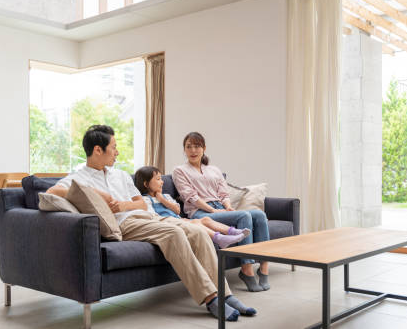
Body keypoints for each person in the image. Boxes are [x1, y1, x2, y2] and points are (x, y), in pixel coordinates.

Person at [47, 125, 255, 321]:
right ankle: (211, 298)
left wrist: (123, 205)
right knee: (173, 234)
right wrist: (93, 192)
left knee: (198, 231)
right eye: (114, 148)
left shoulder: (120, 175)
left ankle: (226, 294)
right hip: (124, 225)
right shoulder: (79, 177)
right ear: (98, 150)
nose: (117, 152)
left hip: (147, 217)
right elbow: (50, 193)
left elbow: (141, 203)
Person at [172, 132, 271, 292]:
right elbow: (190, 197)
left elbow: (223, 193)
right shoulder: (180, 170)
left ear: (204, 148)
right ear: (184, 150)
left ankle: (264, 266)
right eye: (188, 147)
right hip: (200, 212)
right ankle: (246, 269)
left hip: (219, 208)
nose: (193, 150)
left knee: (259, 215)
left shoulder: (214, 170)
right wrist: (213, 210)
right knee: (244, 215)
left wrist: (227, 207)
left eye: (197, 146)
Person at [134, 166, 250, 249]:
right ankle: (218, 238)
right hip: (168, 225)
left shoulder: (166, 196)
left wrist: (162, 199)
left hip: (179, 220)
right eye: (158, 179)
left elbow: (177, 210)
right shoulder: (144, 200)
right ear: (146, 184)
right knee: (196, 223)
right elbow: (152, 218)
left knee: (206, 219)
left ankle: (232, 231)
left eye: (161, 178)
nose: (162, 182)